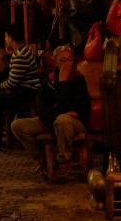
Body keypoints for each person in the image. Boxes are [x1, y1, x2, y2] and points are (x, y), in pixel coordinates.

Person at [11, 46, 91, 179]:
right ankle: (43, 159)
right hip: (52, 120)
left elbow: (76, 109)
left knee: (63, 120)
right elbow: (43, 109)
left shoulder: (78, 80)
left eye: (69, 59)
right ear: (56, 62)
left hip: (74, 124)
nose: (67, 63)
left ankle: (64, 159)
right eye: (63, 59)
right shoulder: (48, 81)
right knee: (17, 125)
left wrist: (63, 83)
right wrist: (57, 114)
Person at [0, 23, 40, 153]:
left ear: (11, 37)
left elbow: (13, 82)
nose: (5, 39)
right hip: (21, 89)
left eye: (6, 36)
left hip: (26, 91)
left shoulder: (20, 55)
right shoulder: (20, 51)